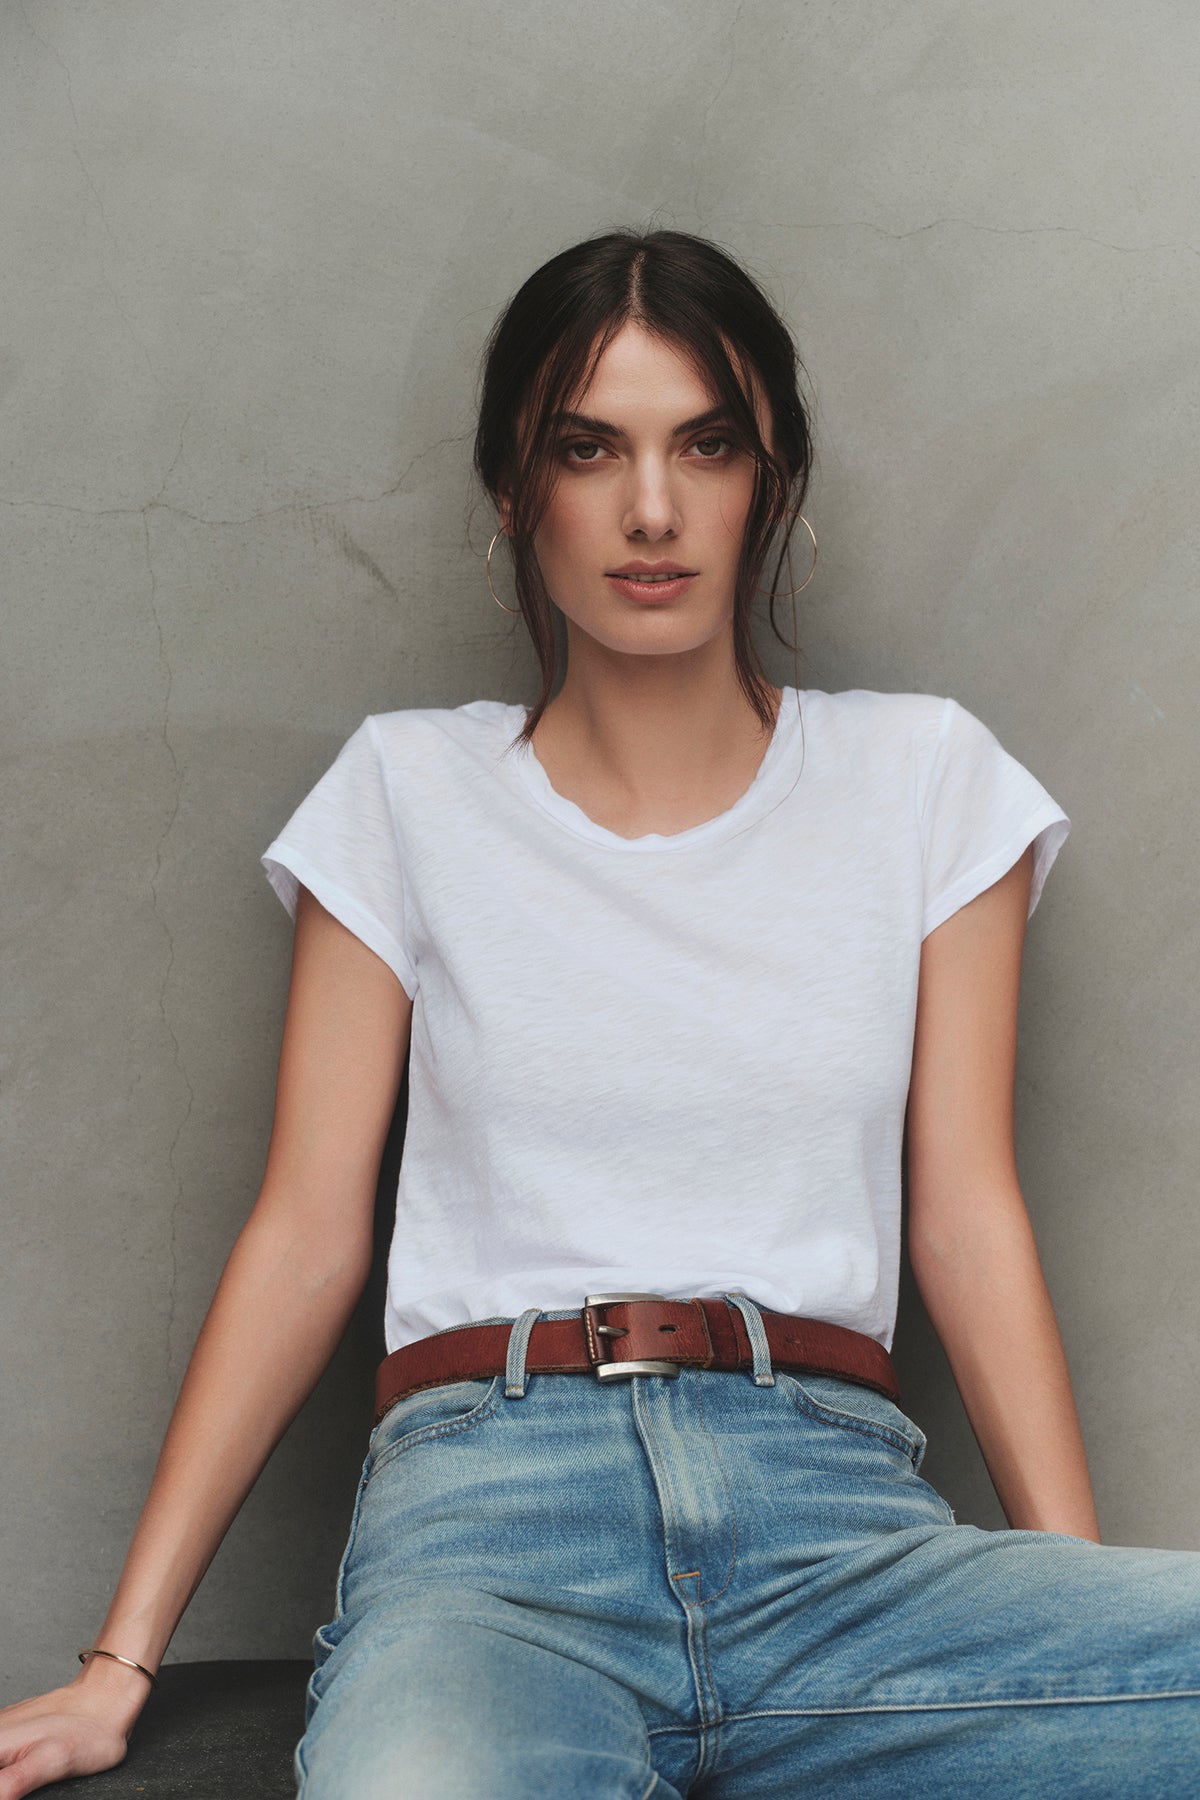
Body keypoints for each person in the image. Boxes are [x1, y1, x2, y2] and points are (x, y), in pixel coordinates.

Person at [1, 228, 1197, 1800]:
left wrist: (1063, 1609)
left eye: (707, 446)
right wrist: (118, 1662)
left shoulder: (921, 779)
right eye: (591, 449)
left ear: (772, 481)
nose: (652, 509)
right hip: (494, 1527)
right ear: (518, 493)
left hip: (831, 1523)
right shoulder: (407, 791)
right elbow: (304, 1233)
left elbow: (967, 1215)